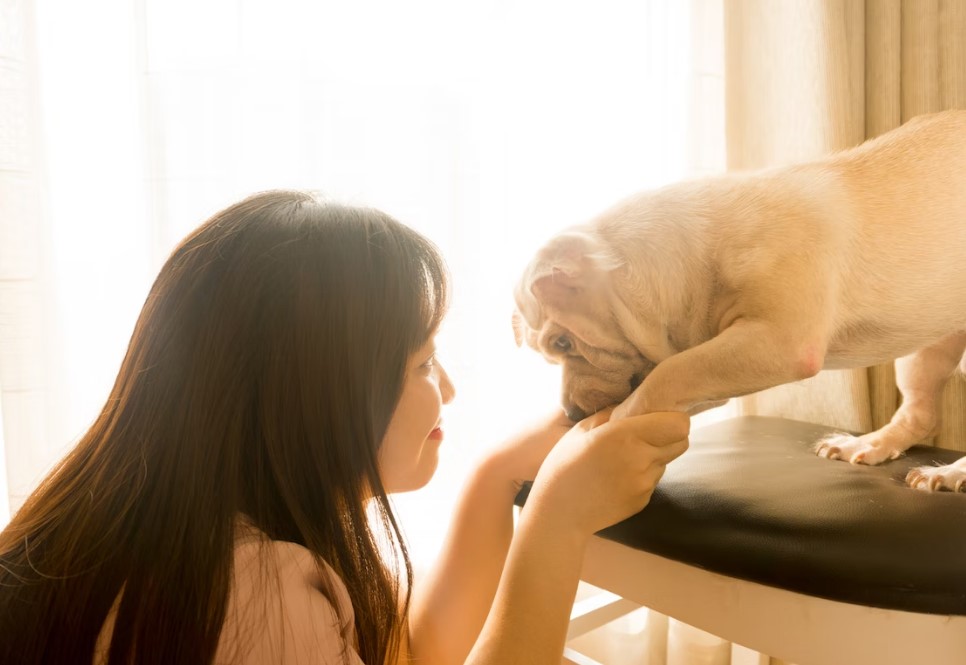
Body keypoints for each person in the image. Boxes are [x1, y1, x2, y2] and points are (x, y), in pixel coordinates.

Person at [0, 190, 689, 665]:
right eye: (422, 362)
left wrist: (495, 479)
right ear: (321, 392)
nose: (447, 387)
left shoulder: (193, 527)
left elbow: (409, 654)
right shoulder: (253, 593)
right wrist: (556, 522)